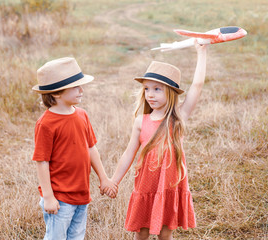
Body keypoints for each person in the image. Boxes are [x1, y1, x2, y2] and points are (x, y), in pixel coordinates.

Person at [105, 41, 207, 240]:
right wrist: (114, 181)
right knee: (141, 232)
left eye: (157, 89)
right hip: (146, 185)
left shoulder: (178, 118)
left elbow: (198, 85)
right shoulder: (140, 121)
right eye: (147, 89)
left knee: (165, 233)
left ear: (170, 92)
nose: (150, 94)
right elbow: (128, 153)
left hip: (168, 185)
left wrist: (201, 52)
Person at [32, 57, 117, 240]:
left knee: (77, 236)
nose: (82, 90)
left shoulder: (82, 115)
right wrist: (48, 197)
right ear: (56, 93)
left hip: (82, 193)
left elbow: (91, 148)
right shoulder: (46, 124)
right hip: (60, 197)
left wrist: (104, 178)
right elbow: (42, 161)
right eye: (75, 87)